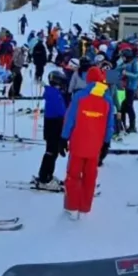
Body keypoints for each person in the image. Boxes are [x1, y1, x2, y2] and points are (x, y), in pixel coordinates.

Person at [61, 66, 113, 219]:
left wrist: (63, 138)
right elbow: (109, 125)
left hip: (78, 144)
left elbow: (70, 119)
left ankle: (72, 207)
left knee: (73, 175)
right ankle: (84, 208)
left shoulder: (79, 96)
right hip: (95, 146)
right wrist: (106, 143)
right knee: (90, 177)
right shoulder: (107, 99)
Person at [33, 69, 68, 191]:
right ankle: (44, 178)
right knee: (51, 152)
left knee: (53, 152)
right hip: (54, 125)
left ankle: (47, 175)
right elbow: (61, 112)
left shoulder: (54, 93)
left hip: (54, 125)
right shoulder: (55, 95)